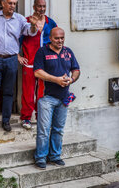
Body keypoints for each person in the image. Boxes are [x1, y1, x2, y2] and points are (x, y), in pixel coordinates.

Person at [0, 0, 38, 132]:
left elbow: (30, 32)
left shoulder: (19, 19)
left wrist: (33, 25)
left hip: (11, 60)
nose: (12, 6)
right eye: (10, 3)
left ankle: (6, 121)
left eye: (14, 4)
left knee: (9, 92)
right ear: (3, 3)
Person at [33, 27, 80, 169]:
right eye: (56, 38)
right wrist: (56, 80)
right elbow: (37, 72)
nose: (60, 41)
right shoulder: (42, 52)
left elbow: (76, 69)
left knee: (58, 129)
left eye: (62, 38)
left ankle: (55, 156)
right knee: (44, 130)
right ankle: (41, 157)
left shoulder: (68, 52)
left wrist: (71, 80)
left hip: (64, 98)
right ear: (50, 38)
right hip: (46, 98)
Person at [18, 0, 57, 129]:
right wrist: (18, 55)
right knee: (28, 91)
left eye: (44, 6)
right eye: (39, 6)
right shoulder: (26, 21)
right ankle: (26, 118)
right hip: (29, 62)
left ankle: (40, 115)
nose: (42, 9)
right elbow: (17, 39)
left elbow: (56, 41)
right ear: (34, 7)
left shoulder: (50, 23)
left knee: (42, 91)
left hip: (45, 64)